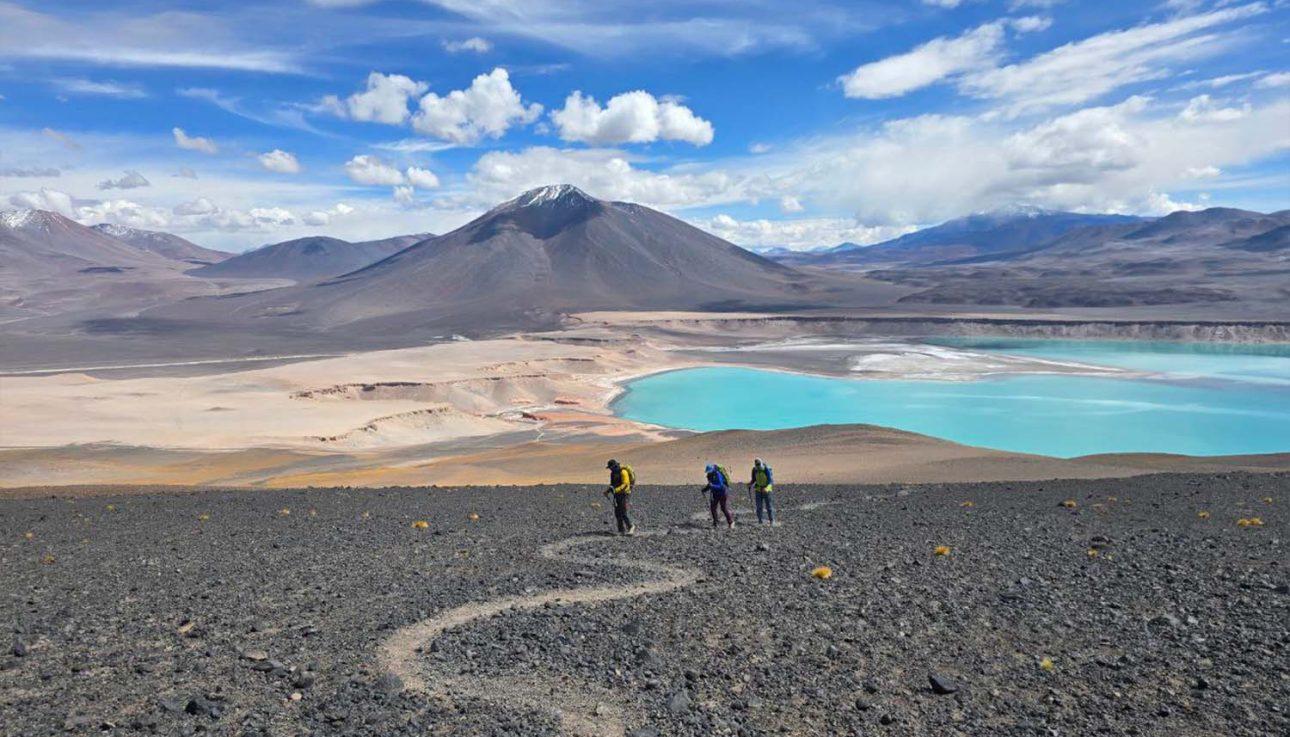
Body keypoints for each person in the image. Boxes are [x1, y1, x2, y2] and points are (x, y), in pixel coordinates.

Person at [604, 459, 636, 535]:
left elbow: (625, 484)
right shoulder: (612, 474)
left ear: (615, 466)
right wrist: (607, 491)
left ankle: (631, 526)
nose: (610, 469)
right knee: (617, 512)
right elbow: (612, 484)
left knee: (623, 511)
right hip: (617, 494)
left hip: (624, 494)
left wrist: (616, 490)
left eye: (611, 467)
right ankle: (621, 530)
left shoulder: (623, 472)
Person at [702, 463, 735, 529]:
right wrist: (704, 490)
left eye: (709, 471)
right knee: (713, 508)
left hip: (723, 493)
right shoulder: (709, 476)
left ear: (712, 470)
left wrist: (712, 486)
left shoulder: (718, 474)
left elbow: (721, 486)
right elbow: (710, 484)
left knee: (723, 508)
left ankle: (731, 522)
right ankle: (715, 523)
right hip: (715, 493)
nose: (708, 473)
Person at [747, 458, 775, 525]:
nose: (758, 465)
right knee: (759, 506)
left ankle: (772, 521)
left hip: (767, 490)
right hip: (758, 490)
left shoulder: (766, 469)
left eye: (759, 464)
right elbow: (754, 479)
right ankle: (760, 521)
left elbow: (770, 481)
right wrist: (750, 484)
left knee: (769, 506)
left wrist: (766, 489)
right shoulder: (754, 470)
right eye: (756, 464)